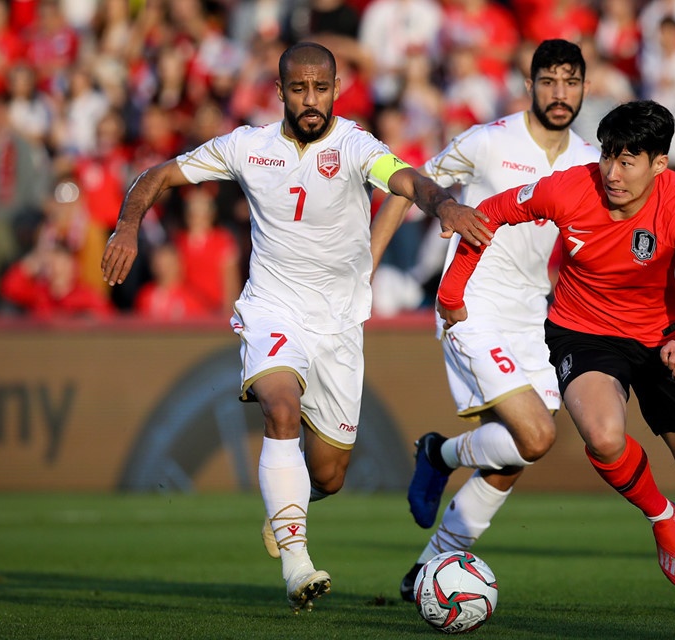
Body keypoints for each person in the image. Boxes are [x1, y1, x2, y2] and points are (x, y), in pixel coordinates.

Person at [100, 41, 492, 613]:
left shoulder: (355, 145)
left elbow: (407, 180)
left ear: (337, 89)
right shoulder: (248, 146)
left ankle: (288, 505)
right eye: (299, 89)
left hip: (338, 325)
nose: (311, 100)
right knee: (279, 408)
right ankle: (296, 563)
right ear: (280, 91)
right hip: (272, 308)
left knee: (329, 476)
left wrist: (444, 206)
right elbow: (157, 175)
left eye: (322, 88)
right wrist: (127, 227)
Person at [435, 100, 675, 617]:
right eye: (608, 156)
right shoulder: (568, 187)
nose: (613, 172)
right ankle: (660, 515)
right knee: (602, 435)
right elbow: (486, 214)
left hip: (664, 339)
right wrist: (452, 295)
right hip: (583, 334)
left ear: (659, 165)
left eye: (629, 161)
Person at [371, 38, 599, 602]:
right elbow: (410, 185)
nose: (560, 93)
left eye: (571, 82)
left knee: (520, 448)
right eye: (549, 80)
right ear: (529, 84)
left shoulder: (591, 160)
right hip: (470, 304)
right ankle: (440, 459)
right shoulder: (489, 140)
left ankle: (429, 558)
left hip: (533, 312)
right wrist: (364, 266)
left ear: (584, 88)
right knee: (535, 433)